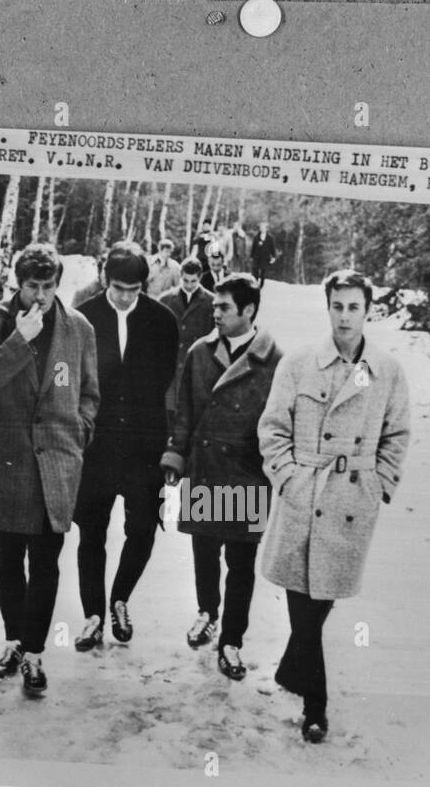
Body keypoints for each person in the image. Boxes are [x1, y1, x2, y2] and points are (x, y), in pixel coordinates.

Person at [257, 269, 410, 742]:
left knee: (319, 599)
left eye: (354, 307)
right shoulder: (300, 363)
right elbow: (272, 428)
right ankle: (316, 706)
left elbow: (397, 434)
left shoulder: (386, 371)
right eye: (337, 306)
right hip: (307, 494)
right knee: (304, 606)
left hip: (351, 497)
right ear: (327, 308)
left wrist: (379, 483)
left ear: (369, 311)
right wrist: (287, 478)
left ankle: (289, 669)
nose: (345, 317)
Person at [0, 244, 100, 696]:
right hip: (5, 464)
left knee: (45, 563)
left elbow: (88, 393)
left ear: (57, 283)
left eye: (48, 286)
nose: (39, 295)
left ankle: (36, 655)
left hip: (55, 465)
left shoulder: (78, 328)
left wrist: (78, 433)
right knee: (8, 563)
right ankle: (15, 641)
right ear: (16, 283)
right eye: (31, 286)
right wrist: (19, 339)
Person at [160, 274, 282, 680]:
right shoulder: (200, 351)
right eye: (214, 306)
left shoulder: (275, 360)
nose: (215, 312)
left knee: (241, 561)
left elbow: (280, 424)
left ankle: (231, 640)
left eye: (223, 307)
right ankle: (207, 612)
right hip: (206, 467)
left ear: (248, 311)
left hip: (247, 473)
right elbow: (185, 412)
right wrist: (176, 457)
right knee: (204, 552)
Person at [73, 242, 181, 649]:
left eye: (134, 289)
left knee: (141, 529)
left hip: (143, 446)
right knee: (92, 533)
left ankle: (120, 599)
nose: (124, 296)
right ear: (105, 279)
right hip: (96, 447)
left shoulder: (162, 321)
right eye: (118, 287)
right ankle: (93, 615)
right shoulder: (83, 318)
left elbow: (163, 381)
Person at [158, 257, 215, 416]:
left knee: (191, 412)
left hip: (197, 369)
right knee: (168, 412)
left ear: (200, 277)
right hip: (170, 369)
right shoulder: (165, 299)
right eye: (185, 280)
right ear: (180, 275)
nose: (189, 285)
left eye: (193, 281)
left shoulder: (212, 303)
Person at [249, 222, 277, 288]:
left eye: (263, 227)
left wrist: (273, 257)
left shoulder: (270, 238)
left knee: (263, 272)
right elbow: (253, 247)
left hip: (265, 257)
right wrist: (251, 256)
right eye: (261, 227)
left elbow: (273, 248)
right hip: (256, 257)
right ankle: (255, 283)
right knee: (255, 270)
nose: (262, 229)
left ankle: (261, 285)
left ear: (266, 229)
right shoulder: (256, 237)